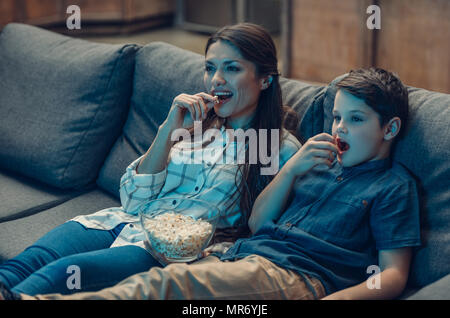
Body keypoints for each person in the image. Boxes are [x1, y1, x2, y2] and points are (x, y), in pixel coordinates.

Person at [5, 67, 421, 301]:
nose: (338, 127)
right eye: (336, 116)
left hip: (292, 276)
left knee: (166, 285)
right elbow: (260, 224)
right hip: (237, 256)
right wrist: (293, 170)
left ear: (391, 128)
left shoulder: (391, 187)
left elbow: (392, 276)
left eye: (355, 119)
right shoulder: (313, 162)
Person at [0, 23, 301, 297]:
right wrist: (167, 130)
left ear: (265, 80)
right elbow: (132, 200)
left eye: (232, 68)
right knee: (22, 265)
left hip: (167, 251)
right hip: (119, 221)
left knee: (57, 275)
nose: (216, 80)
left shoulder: (278, 147)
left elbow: (267, 226)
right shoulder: (193, 124)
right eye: (210, 68)